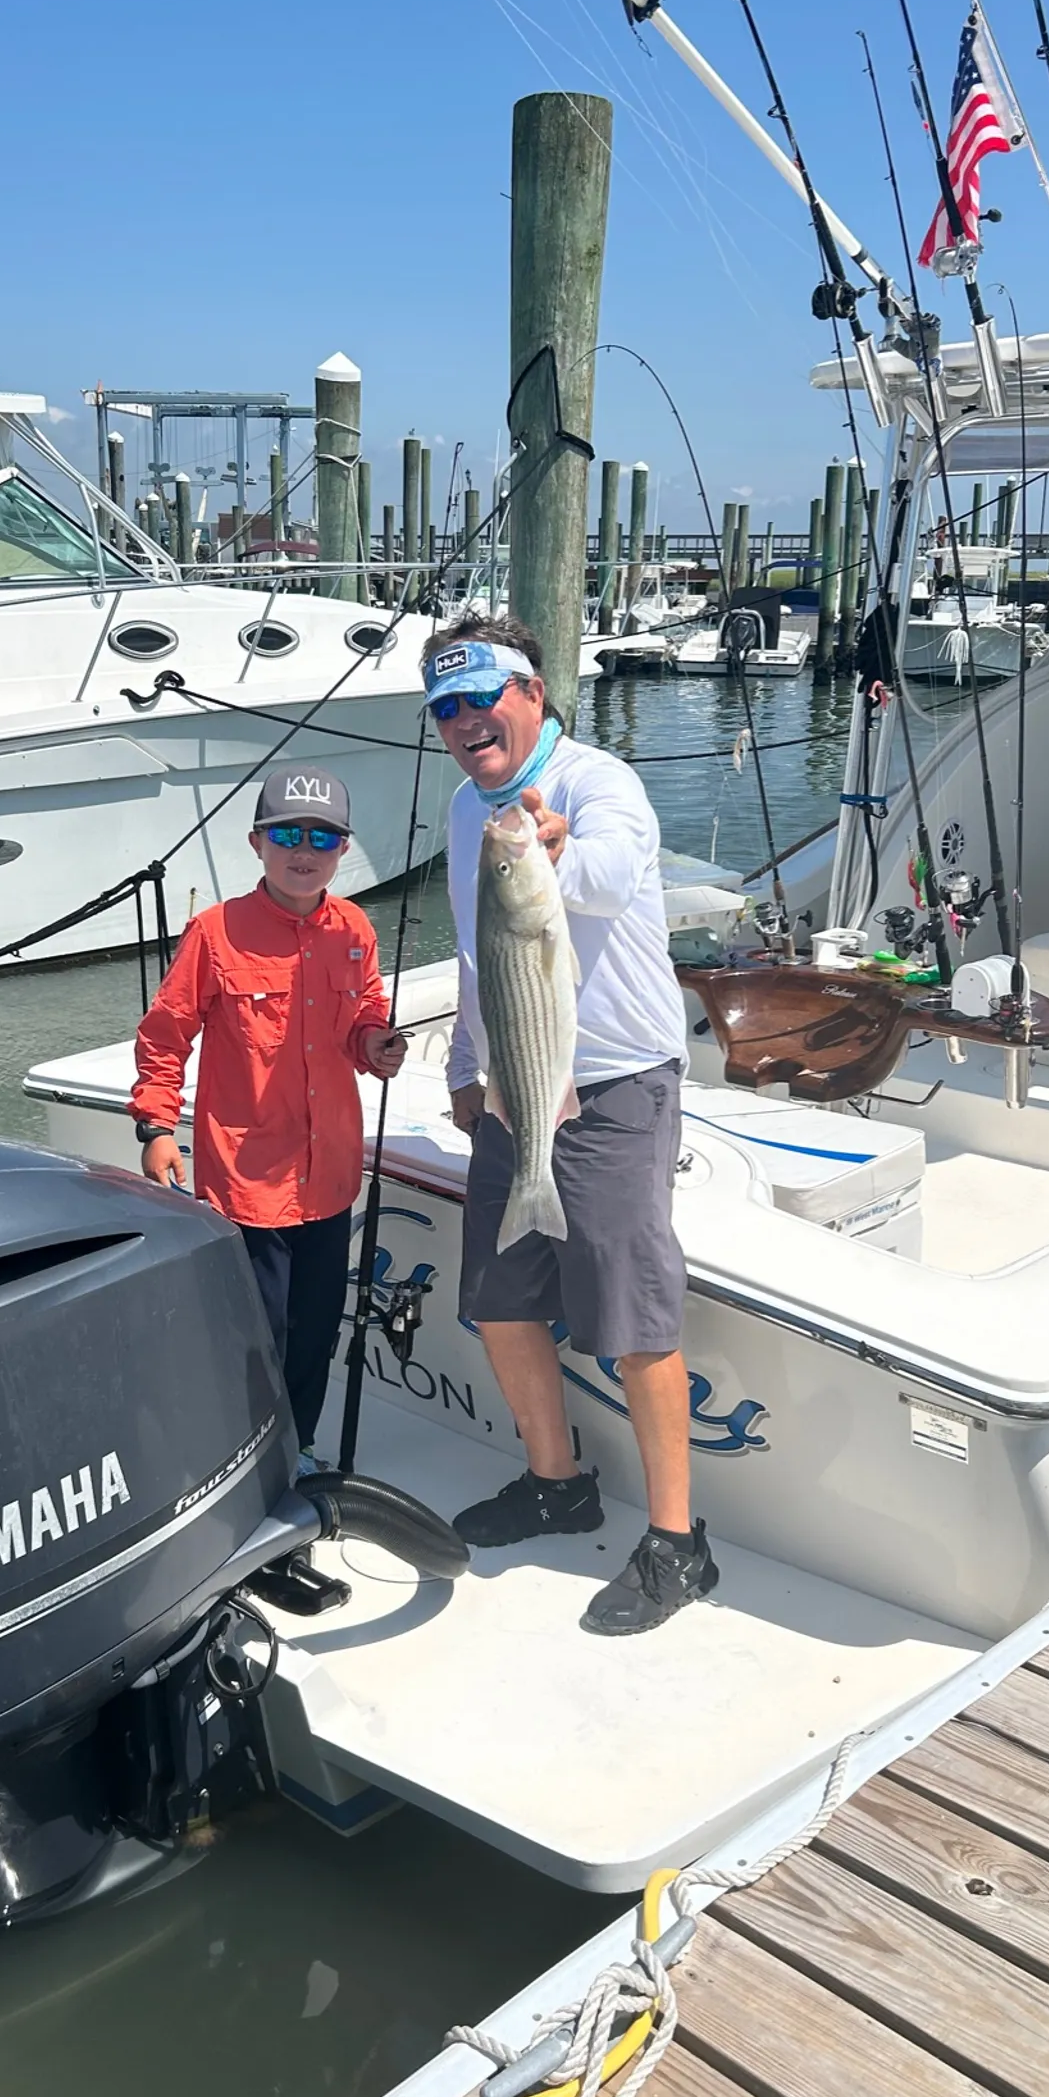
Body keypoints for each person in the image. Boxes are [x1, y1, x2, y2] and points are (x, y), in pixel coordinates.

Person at [427, 616, 714, 1636]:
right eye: (445, 709)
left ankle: (679, 1543)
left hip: (620, 1084)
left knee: (633, 1320)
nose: (465, 722)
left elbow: (615, 873)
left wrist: (554, 849)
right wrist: (467, 1065)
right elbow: (478, 951)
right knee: (500, 1295)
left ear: (533, 694)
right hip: (517, 1075)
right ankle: (558, 1483)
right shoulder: (469, 812)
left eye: (481, 698)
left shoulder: (598, 780)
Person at [129, 765, 406, 1469]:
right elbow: (166, 1035)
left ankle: (299, 1450)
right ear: (257, 843)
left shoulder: (355, 926)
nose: (304, 849)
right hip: (250, 1180)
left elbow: (364, 1020)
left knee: (315, 1332)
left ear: (344, 848)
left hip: (332, 1176)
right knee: (259, 1333)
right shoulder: (215, 932)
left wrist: (376, 1044)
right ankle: (244, 1457)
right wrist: (157, 1127)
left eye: (323, 836)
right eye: (287, 833)